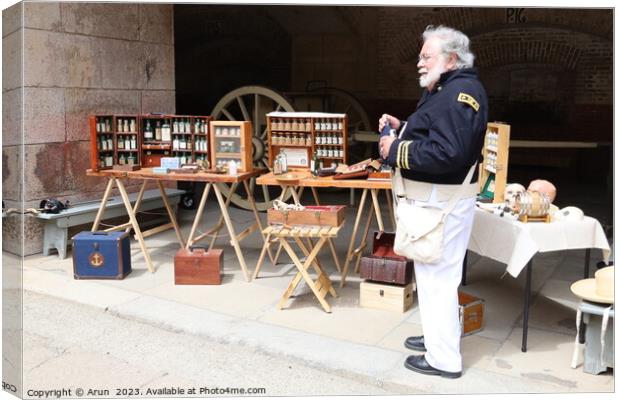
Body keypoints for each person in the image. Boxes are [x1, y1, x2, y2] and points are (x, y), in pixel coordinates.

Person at [378, 25, 488, 379]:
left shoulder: (460, 94)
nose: (420, 63)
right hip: (438, 202)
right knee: (431, 275)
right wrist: (405, 126)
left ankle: (444, 359)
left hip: (442, 202)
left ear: (451, 58)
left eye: (427, 56)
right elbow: (437, 130)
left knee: (438, 278)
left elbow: (448, 153)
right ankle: (436, 338)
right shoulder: (447, 88)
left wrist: (394, 149)